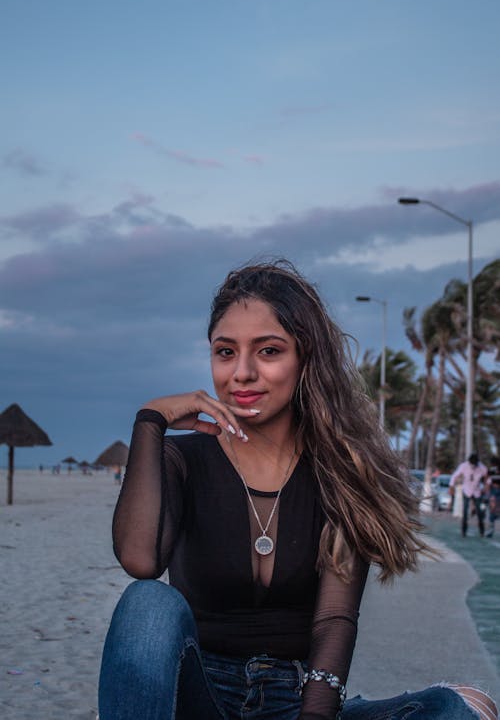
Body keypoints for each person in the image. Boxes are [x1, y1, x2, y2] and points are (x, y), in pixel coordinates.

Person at [98, 261, 497, 720]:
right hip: (197, 697)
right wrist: (149, 423)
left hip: (296, 698)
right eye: (225, 352)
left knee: (459, 708)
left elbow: (332, 624)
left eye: (268, 351)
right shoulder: (183, 460)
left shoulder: (340, 472)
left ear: (305, 358)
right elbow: (140, 561)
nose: (242, 373)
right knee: (148, 602)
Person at [450, 453, 488, 537]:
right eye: (472, 463)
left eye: (475, 464)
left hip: (477, 491)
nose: (473, 465)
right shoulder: (463, 466)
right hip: (466, 490)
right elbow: (454, 476)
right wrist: (451, 486)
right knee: (465, 511)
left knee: (479, 512)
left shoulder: (482, 467)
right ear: (469, 461)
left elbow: (486, 477)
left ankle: (482, 531)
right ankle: (464, 531)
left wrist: (486, 486)